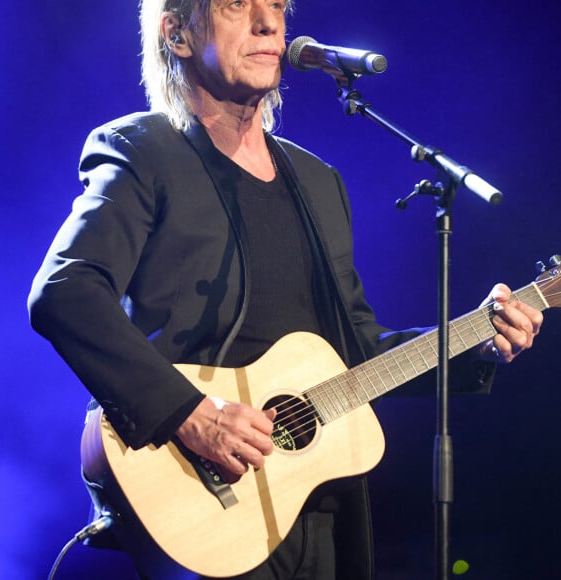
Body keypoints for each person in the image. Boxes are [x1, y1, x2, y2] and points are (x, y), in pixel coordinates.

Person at [27, 0, 543, 578]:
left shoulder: (318, 182)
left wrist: (474, 341)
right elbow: (66, 290)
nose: (269, 22)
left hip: (315, 515)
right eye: (235, 6)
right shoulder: (142, 150)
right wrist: (190, 413)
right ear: (176, 33)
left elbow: (358, 354)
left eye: (275, 6)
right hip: (197, 501)